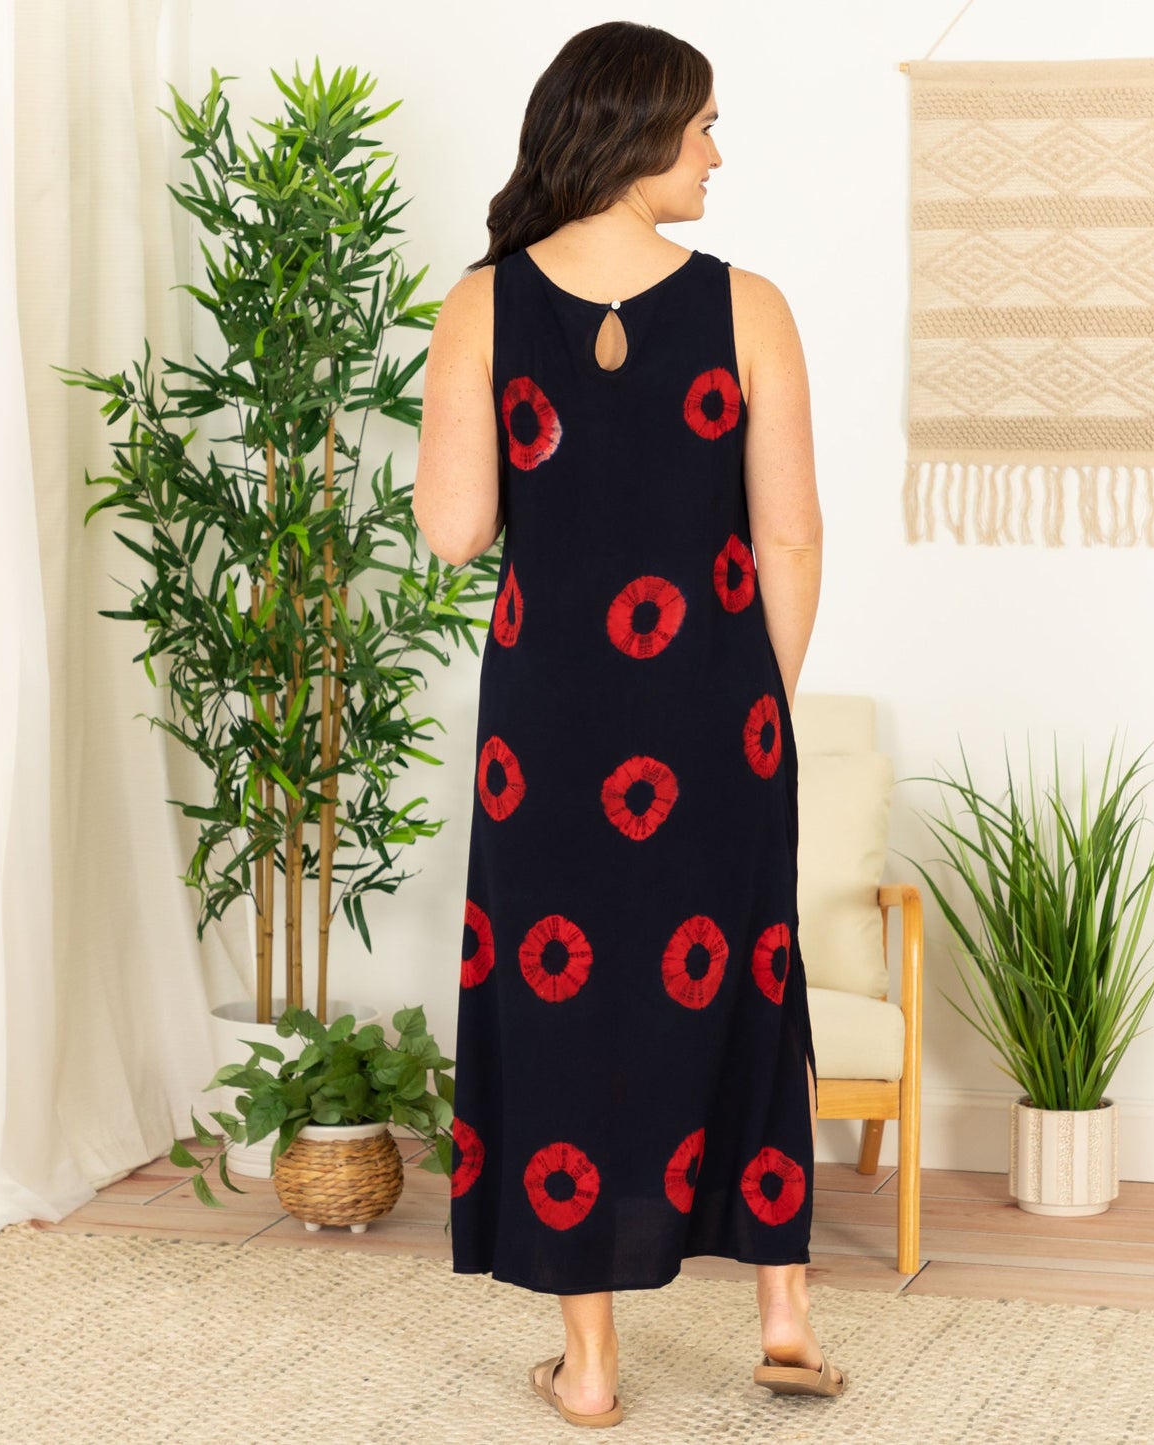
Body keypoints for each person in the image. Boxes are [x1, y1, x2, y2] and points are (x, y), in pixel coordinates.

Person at [412, 19, 841, 1428]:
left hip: (546, 730)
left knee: (560, 1003)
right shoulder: (749, 306)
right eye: (703, 125)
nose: (717, 153)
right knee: (747, 987)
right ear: (637, 128)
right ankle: (783, 1313)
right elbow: (789, 537)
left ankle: (590, 1367)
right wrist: (759, 705)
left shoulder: (482, 305)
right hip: (722, 717)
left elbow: (453, 532)